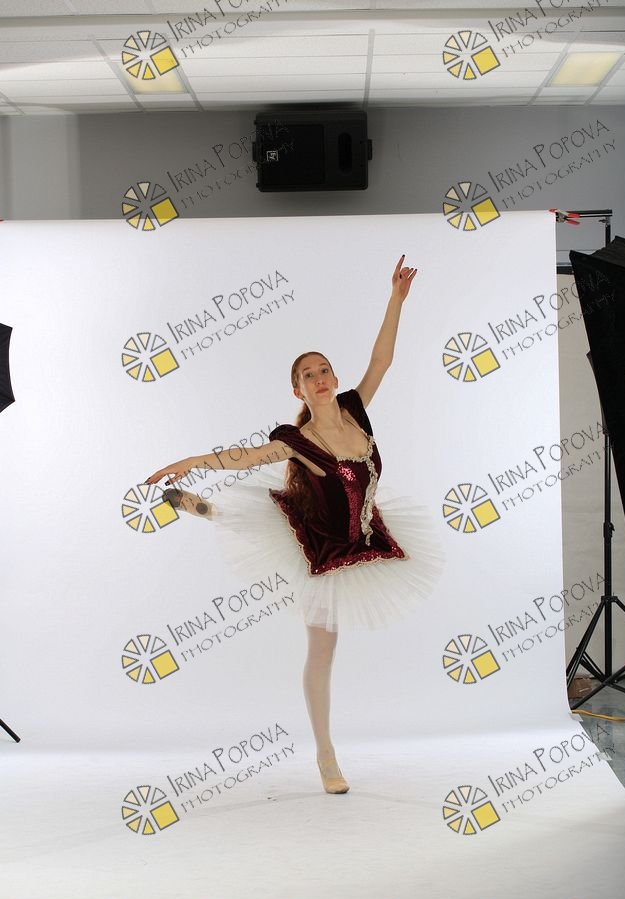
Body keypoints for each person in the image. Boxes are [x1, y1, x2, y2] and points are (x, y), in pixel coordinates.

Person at [145, 255, 445, 795]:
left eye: (324, 369)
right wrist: (190, 461)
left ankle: (210, 511)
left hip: (366, 533)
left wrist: (396, 300)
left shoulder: (355, 408)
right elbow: (243, 457)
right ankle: (326, 755)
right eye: (308, 375)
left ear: (335, 378)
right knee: (322, 649)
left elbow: (382, 361)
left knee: (272, 518)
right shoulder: (296, 439)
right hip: (321, 545)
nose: (320, 378)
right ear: (298, 391)